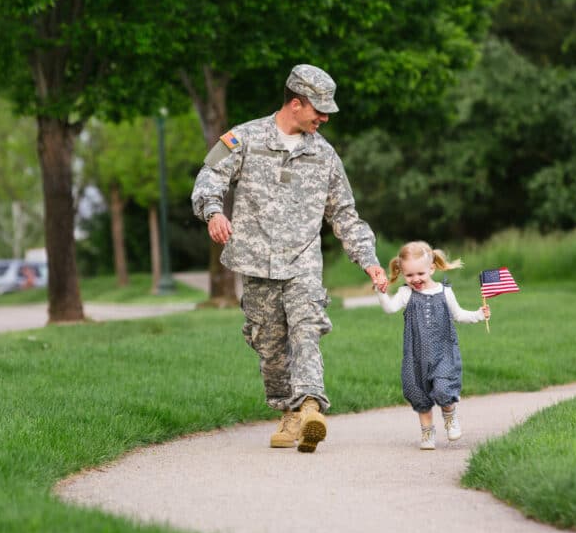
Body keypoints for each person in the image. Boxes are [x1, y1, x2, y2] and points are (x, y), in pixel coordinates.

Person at [191, 64, 389, 453]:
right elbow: (208, 177)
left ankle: (312, 405)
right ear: (295, 104)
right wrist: (214, 212)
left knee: (306, 328)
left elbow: (345, 215)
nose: (325, 117)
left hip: (303, 262)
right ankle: (289, 413)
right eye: (319, 109)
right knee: (268, 343)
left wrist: (368, 258)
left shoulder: (326, 156)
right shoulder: (242, 139)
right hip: (255, 262)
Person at [375, 241, 490, 450]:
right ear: (402, 273)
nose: (415, 279)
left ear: (432, 268)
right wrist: (381, 291)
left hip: (443, 352)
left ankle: (450, 416)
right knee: (417, 391)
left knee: (443, 387)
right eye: (409, 275)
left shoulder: (445, 292)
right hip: (415, 355)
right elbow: (390, 308)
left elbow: (459, 315)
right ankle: (427, 432)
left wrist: (478, 315)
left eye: (420, 273)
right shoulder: (406, 293)